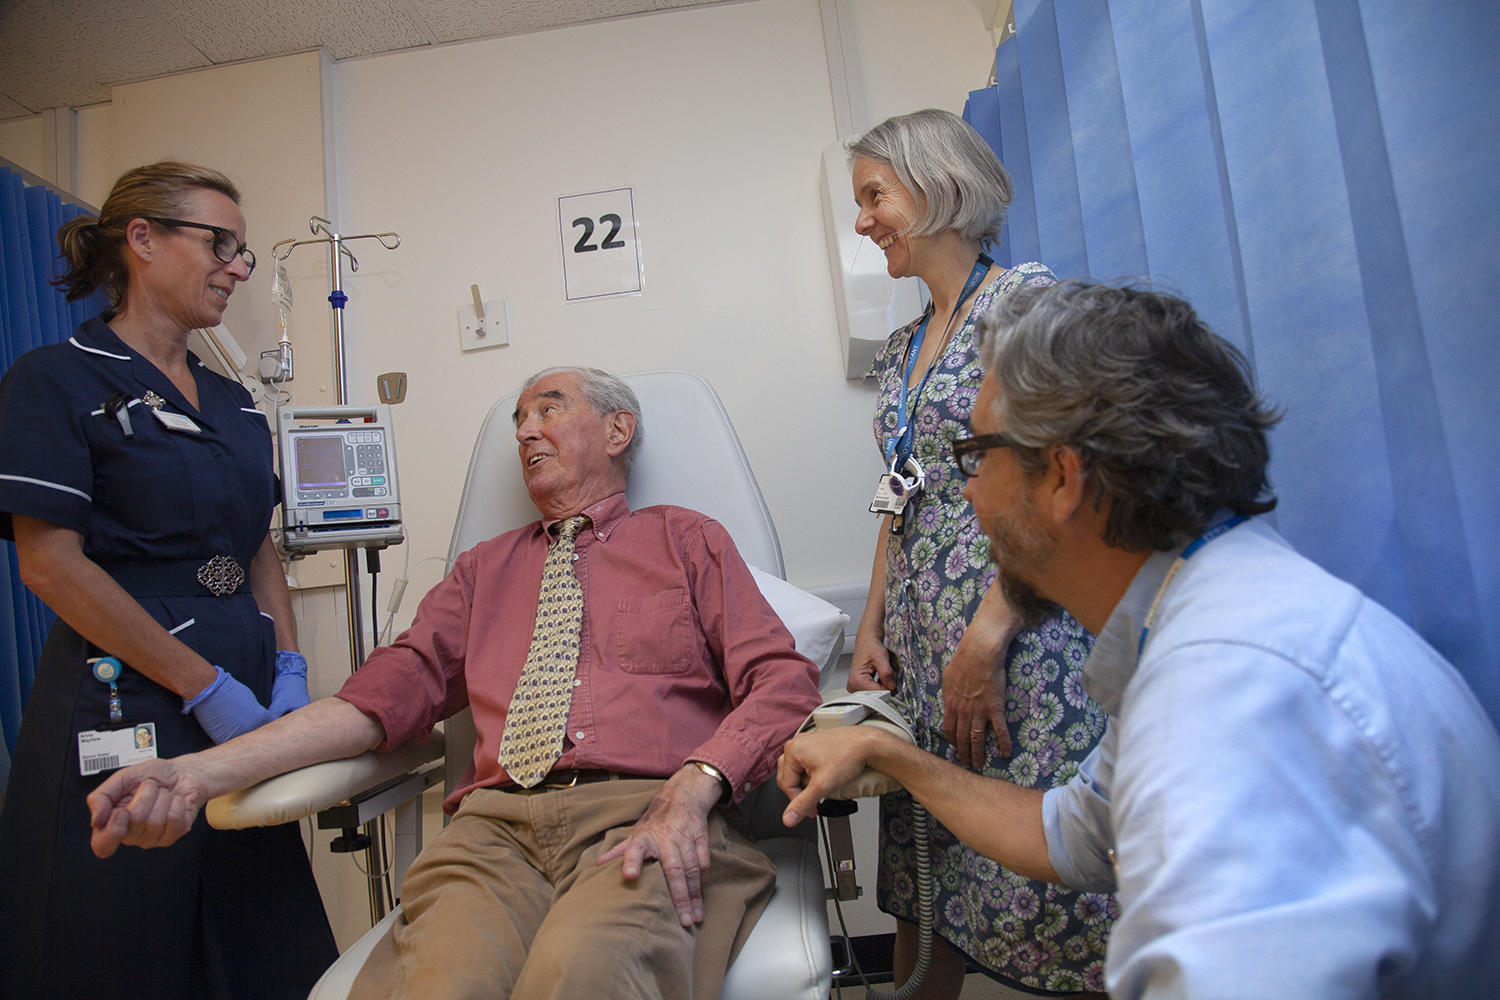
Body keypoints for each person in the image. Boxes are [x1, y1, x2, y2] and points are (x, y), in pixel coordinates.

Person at [780, 282, 1500, 998]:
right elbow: (1071, 834)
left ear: (1062, 476)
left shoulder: (1229, 695)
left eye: (976, 458)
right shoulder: (1207, 627)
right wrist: (888, 754)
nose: (967, 494)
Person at [88, 366, 824, 1000]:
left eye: (549, 408)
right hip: (493, 833)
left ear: (617, 430)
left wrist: (695, 786)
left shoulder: (684, 539)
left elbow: (782, 682)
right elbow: (377, 704)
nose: (526, 431)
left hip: (644, 811)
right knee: (446, 985)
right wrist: (193, 773)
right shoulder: (481, 571)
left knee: (587, 972)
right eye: (518, 420)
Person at [0, 161, 334, 999]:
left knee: (259, 928)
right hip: (128, 690)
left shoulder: (235, 402)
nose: (236, 266)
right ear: (141, 240)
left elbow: (258, 546)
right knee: (126, 933)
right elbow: (47, 561)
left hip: (247, 690)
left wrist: (288, 668)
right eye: (219, 243)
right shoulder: (57, 379)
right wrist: (202, 686)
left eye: (243, 252)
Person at [847, 108, 1110, 995]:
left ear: (938, 186)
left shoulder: (1026, 302)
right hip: (921, 657)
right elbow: (900, 494)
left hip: (1016, 644)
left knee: (1051, 878)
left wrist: (989, 636)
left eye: (874, 195)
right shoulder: (901, 349)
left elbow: (1063, 482)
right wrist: (870, 628)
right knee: (930, 891)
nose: (862, 220)